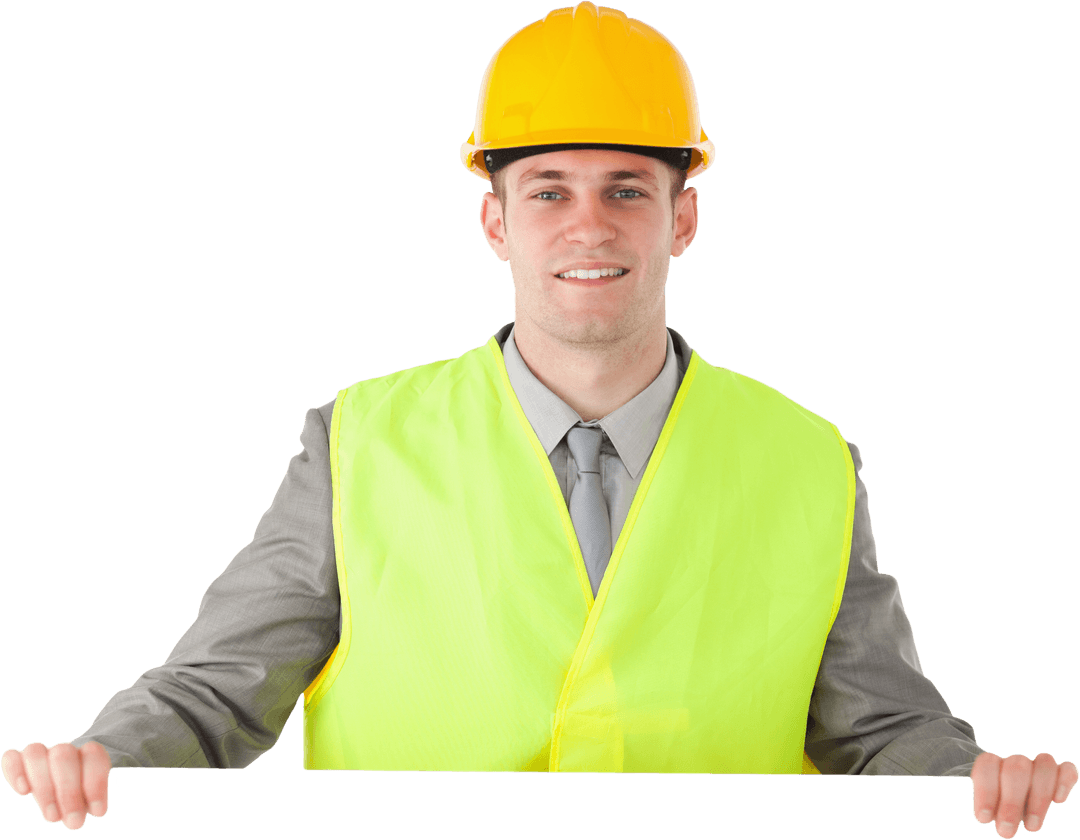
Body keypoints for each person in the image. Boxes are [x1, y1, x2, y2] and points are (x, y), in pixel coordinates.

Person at [2, 1, 1075, 836]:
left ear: (682, 217)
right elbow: (215, 697)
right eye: (550, 189)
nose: (588, 224)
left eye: (627, 189)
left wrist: (975, 783)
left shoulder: (807, 458)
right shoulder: (359, 441)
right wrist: (104, 756)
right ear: (495, 223)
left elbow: (878, 727)